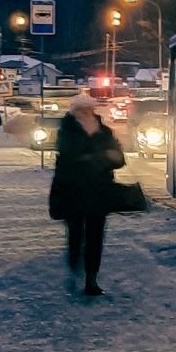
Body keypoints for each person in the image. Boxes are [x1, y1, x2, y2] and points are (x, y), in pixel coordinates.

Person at [49, 93, 125, 296]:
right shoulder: (68, 132)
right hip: (72, 192)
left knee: (95, 237)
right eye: (81, 110)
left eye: (88, 109)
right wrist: (101, 157)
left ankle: (91, 279)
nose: (85, 113)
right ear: (74, 112)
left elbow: (119, 159)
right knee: (75, 235)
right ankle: (75, 268)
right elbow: (69, 157)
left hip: (99, 192)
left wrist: (109, 157)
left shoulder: (105, 132)